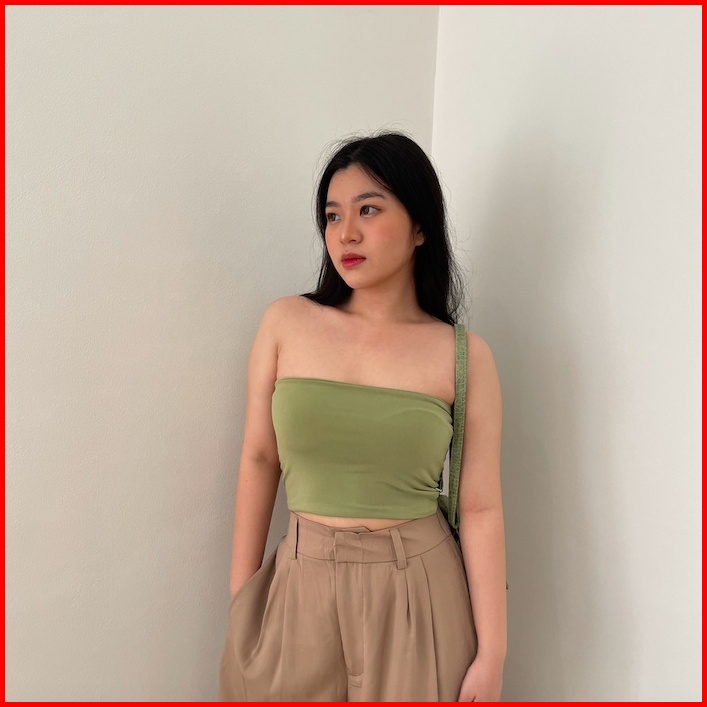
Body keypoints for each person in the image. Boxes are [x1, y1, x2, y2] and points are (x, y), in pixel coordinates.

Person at [218, 131, 506, 702]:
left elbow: (480, 508)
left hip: (419, 598)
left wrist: (492, 653)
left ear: (420, 226)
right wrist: (241, 601)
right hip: (298, 589)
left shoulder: (463, 356)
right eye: (332, 215)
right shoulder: (285, 323)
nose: (345, 233)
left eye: (368, 210)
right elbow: (259, 458)